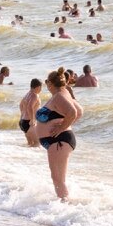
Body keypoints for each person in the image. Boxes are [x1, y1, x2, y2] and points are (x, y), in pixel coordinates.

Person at [35, 68, 82, 200]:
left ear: (50, 83)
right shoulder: (63, 93)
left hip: (59, 140)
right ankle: (63, 205)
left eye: (46, 82)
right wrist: (64, 124)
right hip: (58, 141)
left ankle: (64, 206)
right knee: (58, 178)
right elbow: (80, 111)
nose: (45, 85)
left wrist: (62, 127)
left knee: (57, 179)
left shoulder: (60, 96)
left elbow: (73, 113)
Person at [18, 78, 43, 148]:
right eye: (41, 87)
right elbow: (29, 107)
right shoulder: (35, 95)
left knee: (30, 143)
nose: (41, 90)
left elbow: (21, 105)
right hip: (29, 122)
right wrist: (32, 120)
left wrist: (22, 115)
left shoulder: (27, 94)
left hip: (23, 122)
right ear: (38, 87)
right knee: (37, 143)